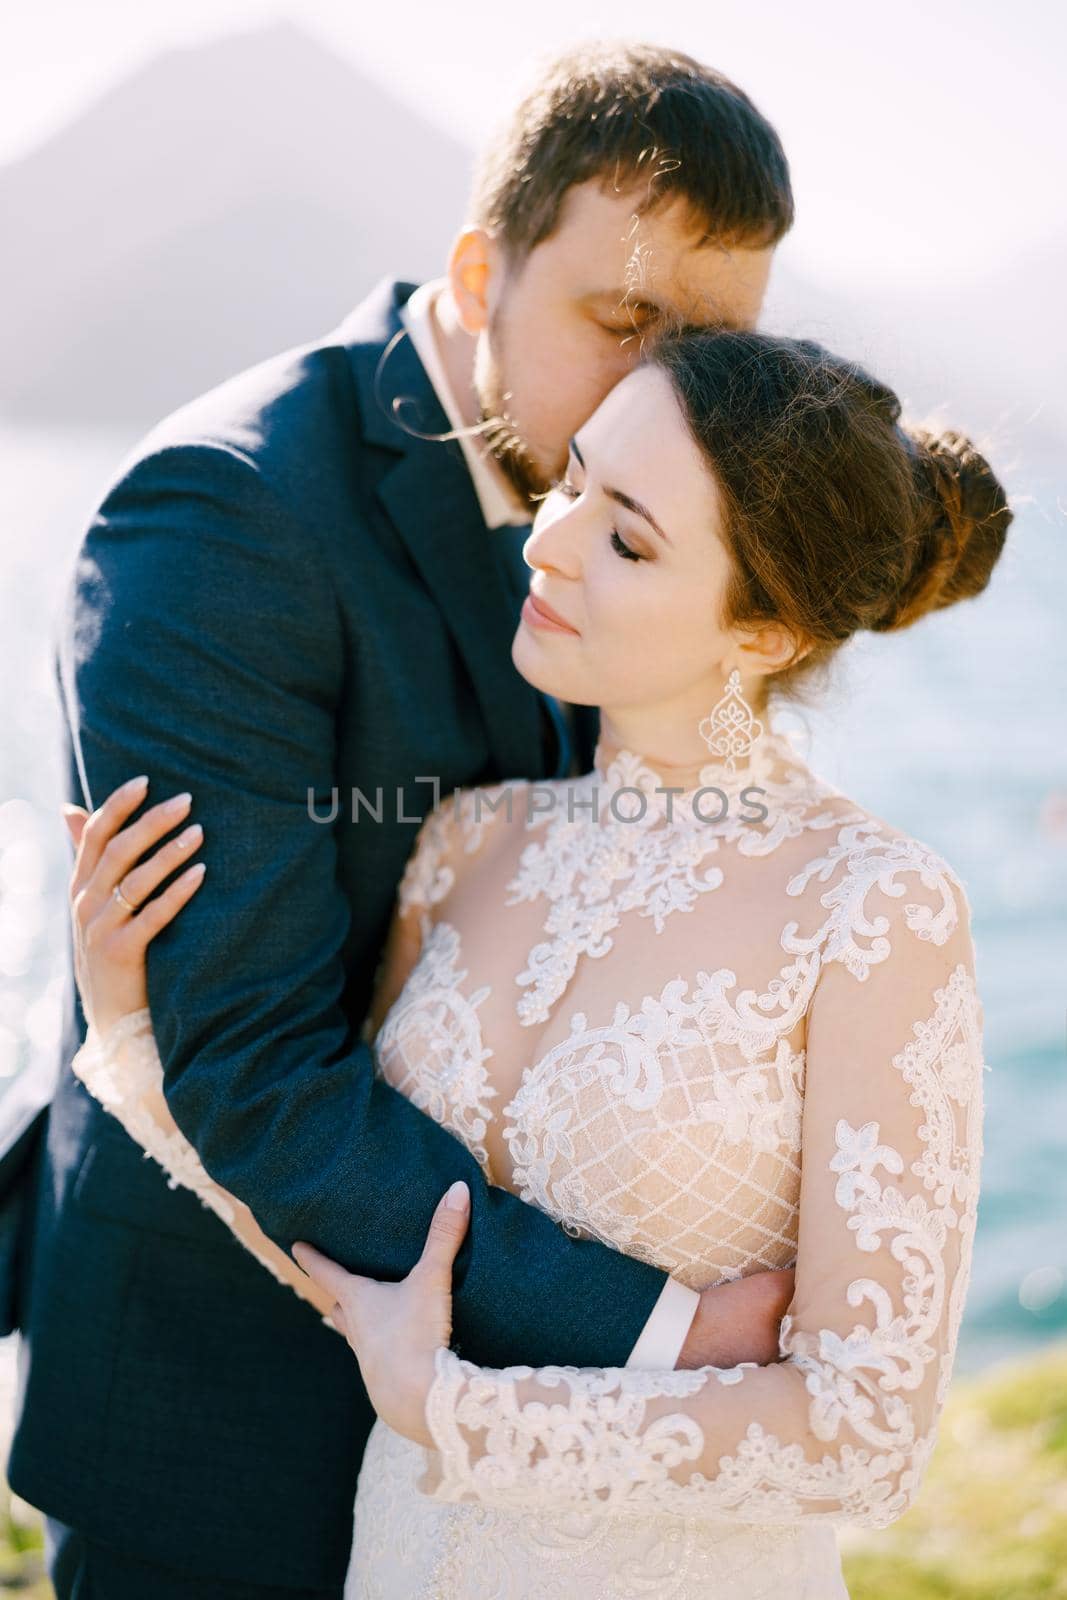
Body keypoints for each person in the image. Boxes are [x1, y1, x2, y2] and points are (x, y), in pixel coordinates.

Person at [4, 41, 799, 1600]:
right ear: (475, 268)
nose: (662, 396)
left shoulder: (648, 512)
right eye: (619, 321)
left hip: (504, 1459)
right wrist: (655, 1328)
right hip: (224, 1406)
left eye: (705, 349)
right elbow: (248, 1062)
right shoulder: (227, 520)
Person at [61, 325, 1009, 1597]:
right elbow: (356, 1256)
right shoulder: (467, 840)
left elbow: (866, 1433)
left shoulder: (874, 910)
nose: (548, 539)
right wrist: (132, 1032)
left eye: (626, 535)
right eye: (568, 479)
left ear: (765, 632)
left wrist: (457, 1420)